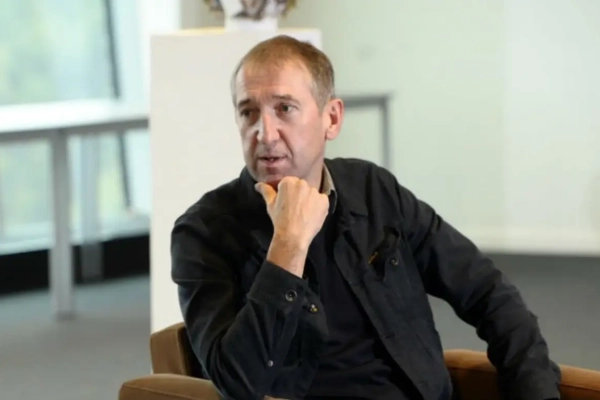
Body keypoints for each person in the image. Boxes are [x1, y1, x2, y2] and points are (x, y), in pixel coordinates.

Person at [171, 35, 561, 400]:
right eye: (248, 112)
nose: (265, 133)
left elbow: (489, 293)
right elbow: (237, 382)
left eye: (284, 109)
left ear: (332, 119)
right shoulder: (203, 232)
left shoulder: (372, 190)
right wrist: (288, 246)